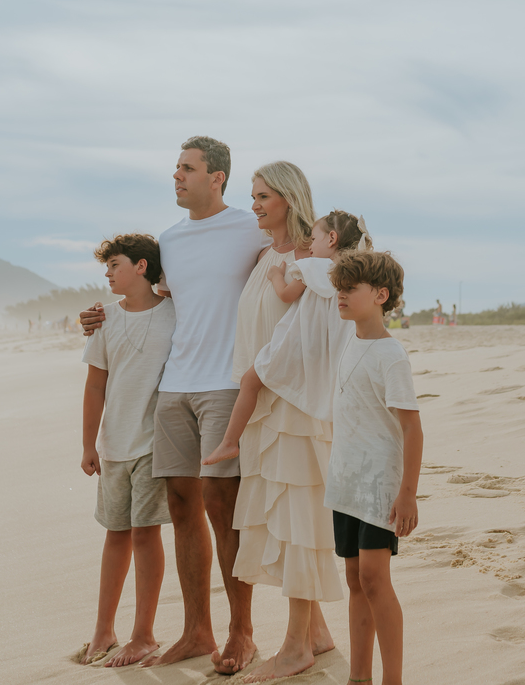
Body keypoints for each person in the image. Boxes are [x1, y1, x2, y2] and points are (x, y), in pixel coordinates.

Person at [80, 136, 267, 673]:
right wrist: (96, 316)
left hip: (225, 384)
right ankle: (196, 630)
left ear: (218, 177)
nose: (177, 177)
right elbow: (148, 300)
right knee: (182, 508)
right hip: (174, 386)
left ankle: (241, 632)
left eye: (187, 168)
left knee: (222, 506)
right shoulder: (171, 239)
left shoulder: (248, 228)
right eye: (175, 169)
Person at [223, 163, 342, 683]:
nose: (254, 204)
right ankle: (315, 633)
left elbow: (323, 341)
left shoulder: (311, 265)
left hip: (293, 408)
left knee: (298, 520)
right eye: (252, 196)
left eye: (263, 196)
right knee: (286, 518)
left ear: (290, 200)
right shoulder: (265, 258)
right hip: (263, 410)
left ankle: (295, 647)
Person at [203, 210, 369, 465]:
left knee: (249, 380)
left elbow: (286, 295)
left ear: (332, 238)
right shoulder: (351, 276)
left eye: (314, 239)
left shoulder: (312, 266)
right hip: (327, 350)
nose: (310, 246)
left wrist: (275, 277)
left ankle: (228, 442)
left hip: (296, 342)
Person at [79, 234, 177, 667]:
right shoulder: (105, 320)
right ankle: (103, 628)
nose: (107, 273)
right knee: (115, 534)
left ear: (141, 266)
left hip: (156, 444)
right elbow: (95, 384)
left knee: (145, 533)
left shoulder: (176, 313)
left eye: (114, 264)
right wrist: (88, 443)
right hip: (114, 444)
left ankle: (144, 633)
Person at [326, 251, 423, 685]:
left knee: (374, 578)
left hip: (380, 485)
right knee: (353, 578)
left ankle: (393, 680)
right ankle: (358, 677)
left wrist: (408, 492)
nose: (341, 296)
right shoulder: (350, 339)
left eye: (351, 289)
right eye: (339, 288)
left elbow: (412, 428)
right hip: (345, 482)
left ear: (381, 295)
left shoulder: (392, 355)